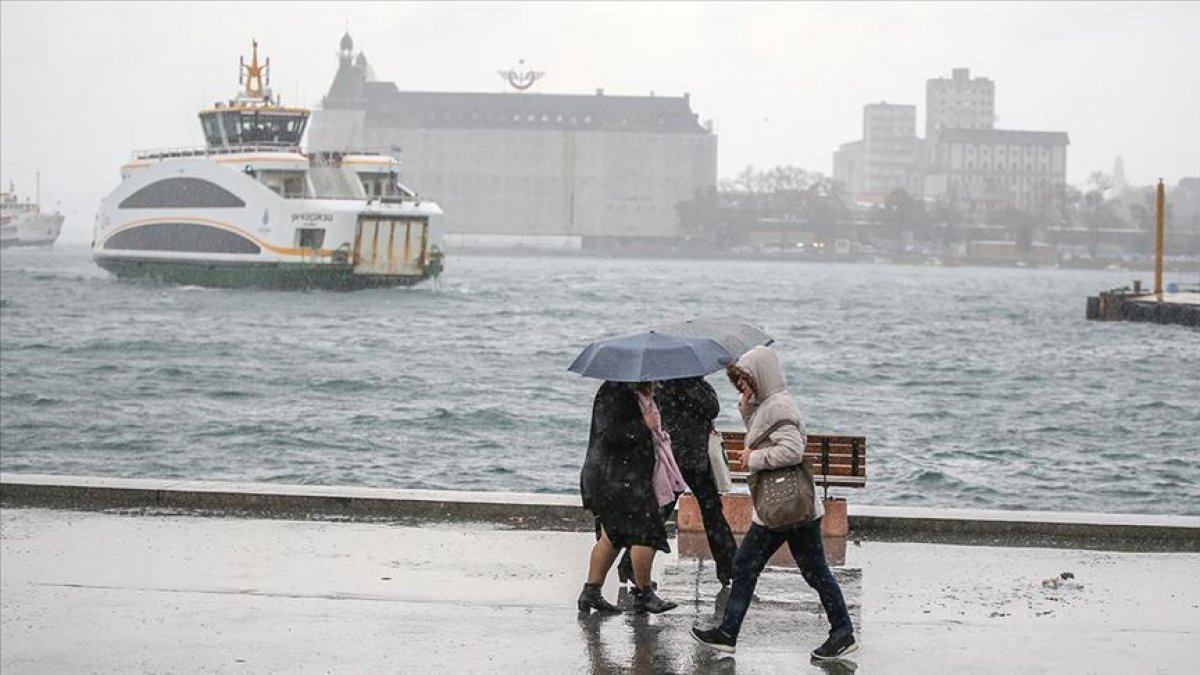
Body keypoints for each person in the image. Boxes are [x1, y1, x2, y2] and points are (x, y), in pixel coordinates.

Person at [691, 346, 857, 661]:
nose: (740, 385)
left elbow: (792, 450)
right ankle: (841, 631)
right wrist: (746, 409)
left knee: (752, 566)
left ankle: (729, 633)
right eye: (737, 381)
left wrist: (755, 458)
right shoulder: (769, 403)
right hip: (788, 509)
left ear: (761, 377)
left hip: (784, 508)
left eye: (744, 380)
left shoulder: (779, 406)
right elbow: (764, 432)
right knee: (808, 570)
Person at [578, 381, 681, 614]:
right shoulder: (614, 392)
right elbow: (609, 434)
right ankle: (644, 593)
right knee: (645, 535)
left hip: (627, 477)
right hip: (616, 478)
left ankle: (591, 591)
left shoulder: (643, 394)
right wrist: (643, 425)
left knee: (612, 537)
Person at [656, 376, 737, 586]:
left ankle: (630, 564)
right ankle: (729, 566)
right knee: (712, 513)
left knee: (662, 511)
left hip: (672, 457)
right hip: (694, 459)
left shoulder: (662, 385)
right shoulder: (697, 387)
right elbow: (712, 409)